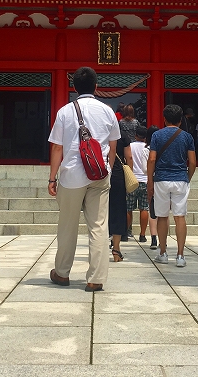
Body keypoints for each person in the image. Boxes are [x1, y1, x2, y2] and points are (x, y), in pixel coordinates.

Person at [48, 66, 120, 292]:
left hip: (71, 176)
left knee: (67, 226)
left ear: (74, 87)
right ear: (96, 86)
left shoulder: (64, 112)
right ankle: (96, 278)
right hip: (99, 174)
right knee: (98, 226)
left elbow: (57, 148)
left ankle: (62, 273)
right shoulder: (107, 111)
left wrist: (52, 178)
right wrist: (106, 168)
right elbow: (112, 146)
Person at [147, 104, 196, 268]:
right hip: (180, 178)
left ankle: (163, 253)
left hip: (161, 179)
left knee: (162, 216)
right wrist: (187, 177)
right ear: (181, 120)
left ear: (164, 119)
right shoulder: (187, 137)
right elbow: (193, 162)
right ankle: (180, 255)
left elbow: (152, 159)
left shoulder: (156, 135)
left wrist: (150, 180)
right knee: (180, 216)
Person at [111, 104, 138, 250]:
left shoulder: (106, 135)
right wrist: (130, 174)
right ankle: (119, 242)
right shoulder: (128, 133)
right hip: (119, 173)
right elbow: (129, 158)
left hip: (105, 174)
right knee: (119, 207)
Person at [126, 125, 152, 245]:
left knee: (128, 208)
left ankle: (127, 231)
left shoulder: (130, 146)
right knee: (144, 208)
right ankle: (142, 234)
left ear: (135, 135)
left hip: (132, 180)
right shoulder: (149, 147)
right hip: (145, 180)